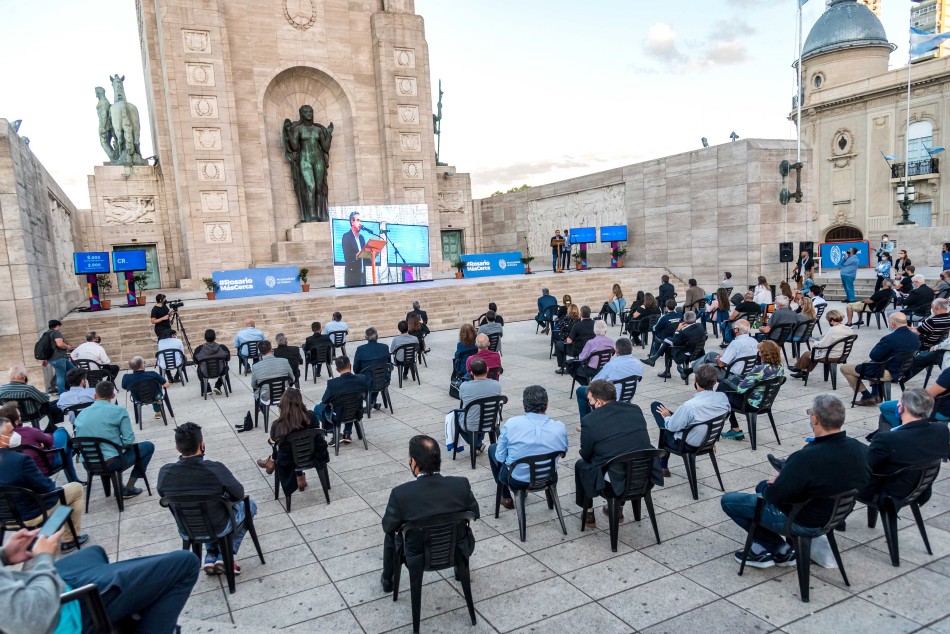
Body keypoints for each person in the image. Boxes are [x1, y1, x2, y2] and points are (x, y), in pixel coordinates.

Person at [721, 395, 868, 568]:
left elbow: (774, 496)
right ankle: (766, 546)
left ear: (814, 419)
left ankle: (779, 548)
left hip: (803, 520)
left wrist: (774, 482)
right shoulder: (860, 449)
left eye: (810, 413)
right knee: (761, 486)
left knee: (730, 501)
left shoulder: (807, 457)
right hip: (834, 516)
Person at [0, 526, 198, 633]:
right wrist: (43, 559)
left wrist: (4, 556)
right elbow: (31, 621)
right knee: (185, 562)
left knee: (94, 552)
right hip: (60, 610)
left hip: (38, 585)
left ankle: (128, 610)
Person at [379, 435, 479, 592]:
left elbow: (388, 526)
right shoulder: (461, 485)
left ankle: (387, 581)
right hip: (457, 550)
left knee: (391, 535)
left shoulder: (401, 494)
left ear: (414, 462)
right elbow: (475, 513)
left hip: (418, 557)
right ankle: (460, 570)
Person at [158, 422, 258, 576]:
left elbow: (162, 493)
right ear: (202, 445)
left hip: (187, 528)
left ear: (177, 447)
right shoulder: (215, 469)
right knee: (249, 505)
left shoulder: (164, 472)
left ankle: (211, 555)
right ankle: (225, 556)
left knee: (208, 512)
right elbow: (238, 494)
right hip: (219, 526)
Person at [575, 379, 661, 526]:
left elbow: (586, 455)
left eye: (590, 400)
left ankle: (588, 513)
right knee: (624, 454)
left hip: (618, 479)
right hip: (646, 474)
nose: (589, 404)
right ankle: (618, 508)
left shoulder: (590, 421)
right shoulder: (635, 409)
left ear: (600, 402)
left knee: (581, 465)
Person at [0, 417, 87, 551]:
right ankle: (63, 538)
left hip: (4, 518)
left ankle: (39, 537)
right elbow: (47, 488)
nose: (16, 435)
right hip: (31, 513)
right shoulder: (20, 460)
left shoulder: (17, 458)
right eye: (11, 432)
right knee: (76, 489)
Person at [863, 390, 948, 510]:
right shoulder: (941, 430)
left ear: (902, 408)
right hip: (919, 489)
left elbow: (866, 467)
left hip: (889, 492)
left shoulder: (888, 439)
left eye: (899, 402)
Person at [489, 386, 568, 510]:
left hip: (518, 479)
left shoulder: (512, 424)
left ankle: (506, 496)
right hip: (549, 476)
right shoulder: (559, 427)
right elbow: (563, 452)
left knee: (493, 449)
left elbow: (500, 457)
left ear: (524, 404)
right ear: (547, 404)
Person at [74, 381, 155, 498]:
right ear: (113, 396)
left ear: (95, 396)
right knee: (148, 446)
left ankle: (115, 488)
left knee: (109, 450)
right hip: (111, 463)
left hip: (88, 464)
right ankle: (129, 487)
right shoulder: (119, 411)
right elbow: (128, 441)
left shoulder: (81, 413)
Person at [649, 364, 730, 475]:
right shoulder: (722, 398)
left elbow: (672, 427)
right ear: (715, 381)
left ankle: (662, 466)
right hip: (708, 441)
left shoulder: (689, 406)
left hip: (687, 444)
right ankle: (663, 466)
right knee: (673, 418)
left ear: (695, 379)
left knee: (657, 408)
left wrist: (667, 417)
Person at [257, 388, 328, 493]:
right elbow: (317, 434)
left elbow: (273, 442)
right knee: (294, 444)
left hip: (289, 460)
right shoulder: (311, 416)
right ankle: (299, 477)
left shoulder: (278, 425)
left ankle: (271, 461)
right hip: (313, 455)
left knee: (277, 444)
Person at [841, 312, 919, 406]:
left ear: (893, 324)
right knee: (872, 363)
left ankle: (867, 396)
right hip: (903, 371)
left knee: (845, 368)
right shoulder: (915, 337)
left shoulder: (890, 338)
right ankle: (875, 394)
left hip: (888, 372)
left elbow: (873, 355)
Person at [720, 341, 785, 440]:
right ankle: (733, 428)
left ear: (763, 353)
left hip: (751, 404)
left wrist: (727, 383)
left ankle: (734, 428)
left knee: (725, 393)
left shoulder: (759, 369)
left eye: (759, 351)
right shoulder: (780, 367)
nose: (758, 353)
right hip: (765, 402)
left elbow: (740, 390)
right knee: (733, 382)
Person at [2, 401, 80, 482]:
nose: (20, 417)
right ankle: (75, 449)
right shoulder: (29, 431)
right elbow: (50, 441)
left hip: (26, 471)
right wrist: (42, 442)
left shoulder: (4, 438)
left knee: (66, 450)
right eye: (19, 416)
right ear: (16, 421)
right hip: (46, 465)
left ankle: (74, 478)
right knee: (61, 431)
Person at [575, 337, 643, 420]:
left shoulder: (611, 365)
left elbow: (594, 383)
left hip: (609, 400)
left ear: (617, 351)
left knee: (580, 391)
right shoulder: (638, 364)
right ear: (631, 349)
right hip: (627, 399)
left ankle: (586, 421)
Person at [446, 357, 502, 453]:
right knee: (477, 412)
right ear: (487, 369)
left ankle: (477, 445)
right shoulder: (496, 385)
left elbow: (462, 398)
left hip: (471, 424)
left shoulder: (464, 386)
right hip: (491, 422)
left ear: (471, 372)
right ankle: (478, 444)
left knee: (453, 417)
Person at [313, 356, 369, 443]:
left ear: (337, 370)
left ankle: (334, 431)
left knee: (318, 408)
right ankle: (347, 433)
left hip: (339, 415)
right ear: (350, 366)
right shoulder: (362, 378)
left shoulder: (333, 384)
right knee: (351, 402)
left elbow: (324, 400)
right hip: (356, 411)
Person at [790, 310, 854, 379]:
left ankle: (798, 368)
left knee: (808, 354)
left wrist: (814, 342)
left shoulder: (833, 330)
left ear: (831, 321)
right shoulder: (848, 329)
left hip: (832, 355)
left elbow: (822, 345)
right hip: (842, 354)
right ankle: (803, 371)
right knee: (813, 354)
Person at [879, 365, 950, 428]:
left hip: (940, 411)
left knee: (885, 407)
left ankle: (901, 431)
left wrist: (905, 398)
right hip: (944, 410)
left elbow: (928, 395)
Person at [642, 310, 705, 380]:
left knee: (667, 345)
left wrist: (678, 330)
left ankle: (663, 367)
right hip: (698, 352)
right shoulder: (700, 326)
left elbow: (675, 342)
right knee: (667, 340)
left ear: (684, 319)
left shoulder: (684, 332)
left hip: (685, 353)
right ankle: (653, 360)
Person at [0, 366, 64, 430]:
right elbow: (44, 399)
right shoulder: (28, 389)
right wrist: (45, 394)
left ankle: (20, 430)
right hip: (33, 414)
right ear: (23, 376)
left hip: (13, 415)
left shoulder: (2, 389)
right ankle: (50, 429)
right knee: (59, 403)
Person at [693, 318, 758, 381]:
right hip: (747, 373)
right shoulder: (755, 341)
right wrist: (724, 357)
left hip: (732, 376)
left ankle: (692, 371)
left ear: (736, 330)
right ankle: (689, 370)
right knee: (711, 354)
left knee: (706, 367)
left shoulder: (736, 343)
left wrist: (719, 359)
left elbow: (721, 364)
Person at [906, 299, 950, 381]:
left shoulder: (932, 321)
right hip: (938, 342)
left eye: (932, 307)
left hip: (927, 344)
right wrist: (913, 328)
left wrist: (907, 329)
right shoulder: (948, 318)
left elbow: (917, 332)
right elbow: (923, 329)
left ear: (936, 308)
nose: (931, 309)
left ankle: (902, 372)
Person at [120, 356, 170, 420]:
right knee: (156, 389)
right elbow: (166, 385)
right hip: (155, 396)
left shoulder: (126, 377)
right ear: (142, 365)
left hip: (138, 399)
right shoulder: (152, 374)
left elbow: (124, 387)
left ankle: (156, 411)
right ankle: (157, 410)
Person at [354, 327, 392, 409]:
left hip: (368, 381)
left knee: (361, 379)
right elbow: (389, 364)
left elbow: (355, 368)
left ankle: (370, 402)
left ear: (366, 338)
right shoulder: (385, 347)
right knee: (376, 375)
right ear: (377, 336)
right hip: (383, 379)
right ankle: (372, 402)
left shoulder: (360, 349)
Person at [567, 320, 614, 386]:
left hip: (591, 370)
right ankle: (591, 385)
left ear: (594, 331)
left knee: (569, 364)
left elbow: (582, 358)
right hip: (604, 368)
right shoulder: (610, 341)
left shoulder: (591, 343)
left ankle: (587, 385)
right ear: (606, 331)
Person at [555, 305, 595, 374]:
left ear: (581, 314)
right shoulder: (595, 323)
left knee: (558, 344)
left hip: (577, 350)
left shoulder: (577, 325)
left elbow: (569, 341)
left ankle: (563, 367)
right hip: (591, 349)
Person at [194, 328, 231, 395]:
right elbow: (228, 358)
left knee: (198, 370)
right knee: (226, 368)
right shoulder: (222, 348)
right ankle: (218, 385)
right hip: (220, 372)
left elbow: (196, 361)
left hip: (205, 373)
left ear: (205, 338)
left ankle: (207, 389)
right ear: (215, 337)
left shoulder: (199, 349)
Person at [44, 320, 74, 397]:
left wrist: (45, 359)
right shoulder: (56, 333)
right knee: (61, 375)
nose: (60, 328)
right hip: (59, 358)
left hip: (52, 359)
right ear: (57, 326)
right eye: (59, 326)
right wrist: (67, 347)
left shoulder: (47, 334)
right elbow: (60, 344)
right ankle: (62, 394)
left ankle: (71, 388)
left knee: (74, 370)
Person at [342, 210, 367, 287]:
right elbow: (347, 257)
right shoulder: (346, 237)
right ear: (352, 222)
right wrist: (357, 255)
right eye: (358, 220)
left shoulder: (362, 238)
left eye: (360, 221)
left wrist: (370, 256)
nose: (360, 223)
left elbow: (364, 257)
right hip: (352, 277)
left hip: (362, 276)